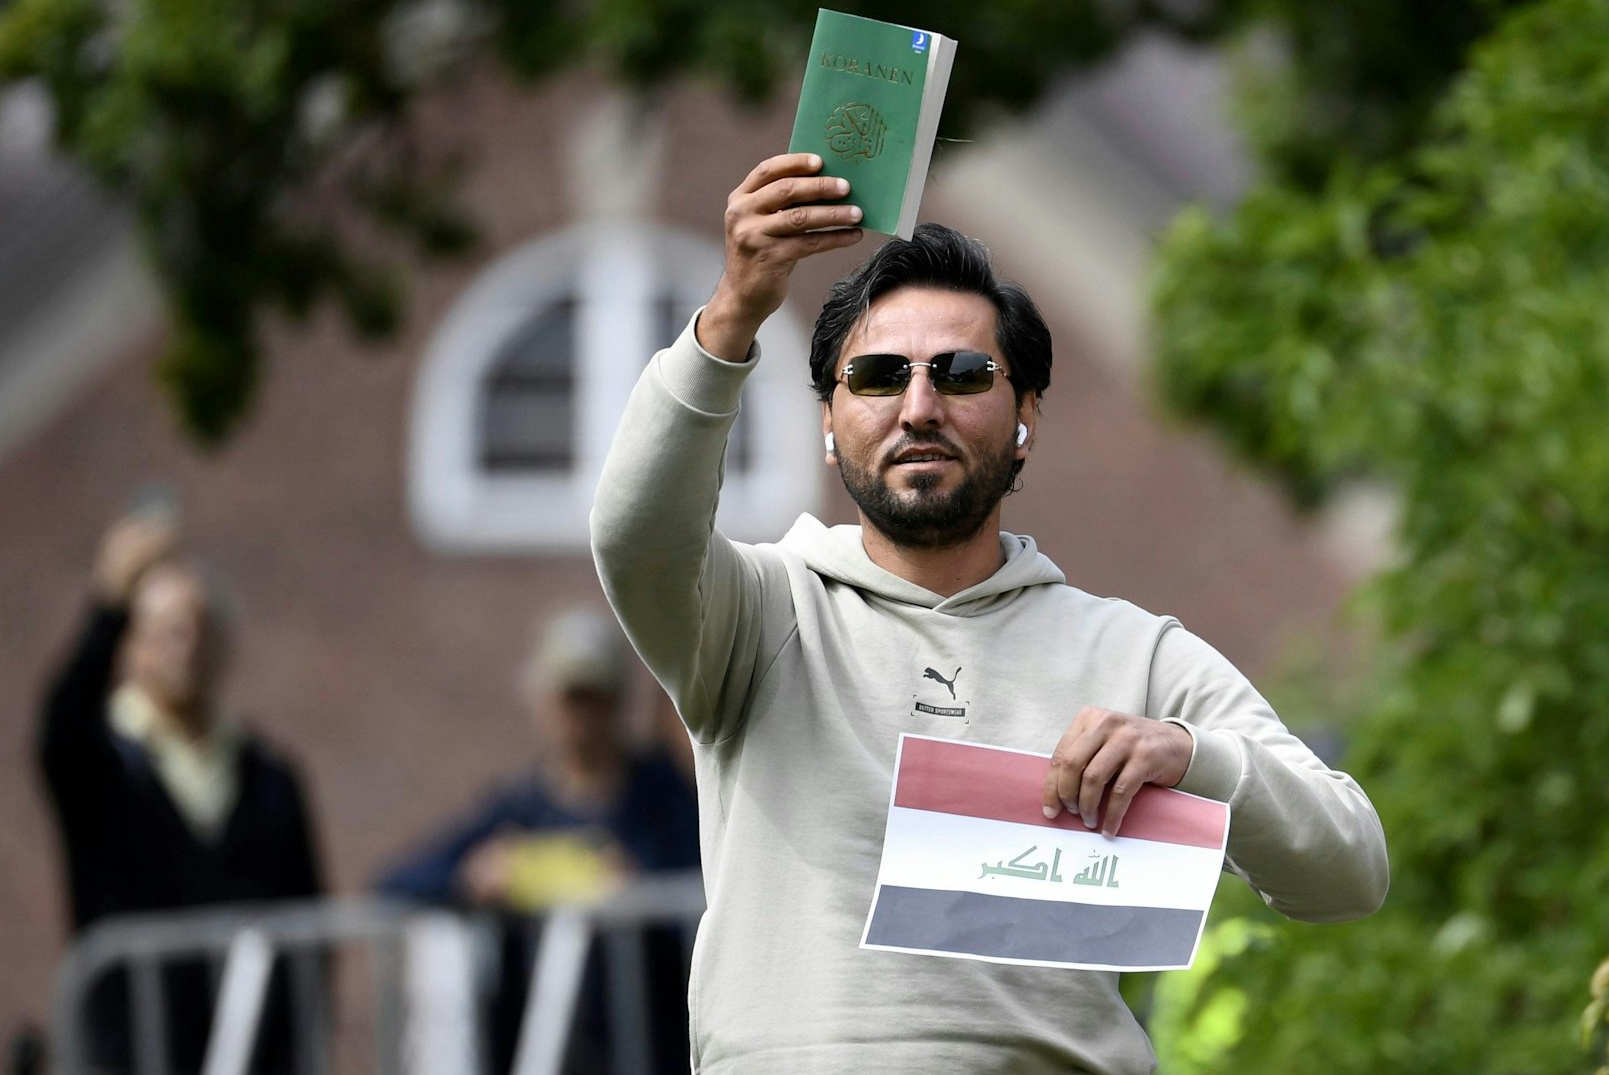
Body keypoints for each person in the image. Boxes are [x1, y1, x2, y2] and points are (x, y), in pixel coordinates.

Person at [589, 154, 1390, 1073]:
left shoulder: (1134, 655)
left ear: (1026, 419)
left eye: (964, 373)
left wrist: (1191, 757)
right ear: (828, 422)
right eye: (878, 375)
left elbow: (1350, 871)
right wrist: (731, 314)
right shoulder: (758, 612)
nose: (919, 406)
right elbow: (634, 536)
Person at [37, 513, 324, 1073]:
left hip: (252, 1055)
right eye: (162, 629)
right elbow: (60, 729)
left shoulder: (269, 776)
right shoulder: (103, 765)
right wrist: (108, 603)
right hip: (135, 1053)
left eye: (194, 627)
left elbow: (308, 923)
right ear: (128, 644)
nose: (182, 645)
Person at [377, 606, 699, 1074]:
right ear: (541, 701)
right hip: (536, 1049)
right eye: (570, 697)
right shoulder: (516, 810)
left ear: (618, 701)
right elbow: (397, 883)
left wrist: (640, 888)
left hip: (650, 1048)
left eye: (595, 697)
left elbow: (710, 893)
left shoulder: (665, 800)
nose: (581, 715)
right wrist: (474, 878)